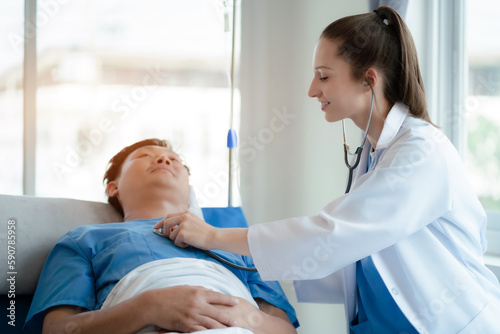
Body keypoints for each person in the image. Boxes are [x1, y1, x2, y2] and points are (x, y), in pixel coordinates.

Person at [156, 6, 500, 334]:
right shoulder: (375, 151)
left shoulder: (421, 153)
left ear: (368, 81)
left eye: (324, 76)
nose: (312, 90)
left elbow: (333, 233)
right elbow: (352, 254)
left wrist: (213, 236)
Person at [24, 138, 298, 334]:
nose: (165, 159)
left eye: (176, 160)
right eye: (144, 156)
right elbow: (59, 329)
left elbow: (285, 330)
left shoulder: (236, 243)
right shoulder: (84, 240)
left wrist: (247, 318)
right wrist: (147, 307)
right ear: (113, 187)